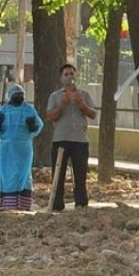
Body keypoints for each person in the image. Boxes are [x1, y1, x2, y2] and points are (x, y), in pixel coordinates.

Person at [46, 64, 96, 211]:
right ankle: (56, 205)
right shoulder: (55, 96)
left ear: (76, 75)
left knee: (80, 175)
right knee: (58, 174)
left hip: (80, 140)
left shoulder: (84, 95)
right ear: (61, 78)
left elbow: (93, 114)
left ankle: (81, 204)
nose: (69, 77)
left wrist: (81, 104)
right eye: (66, 74)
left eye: (71, 73)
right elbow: (49, 117)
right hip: (61, 139)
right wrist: (62, 105)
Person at [0, 84, 44, 211]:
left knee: (24, 174)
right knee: (7, 174)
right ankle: (8, 204)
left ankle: (24, 204)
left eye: (20, 95)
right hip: (7, 149)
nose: (18, 97)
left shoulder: (29, 109)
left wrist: (33, 127)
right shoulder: (3, 110)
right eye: (15, 95)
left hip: (23, 148)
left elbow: (38, 126)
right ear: (10, 96)